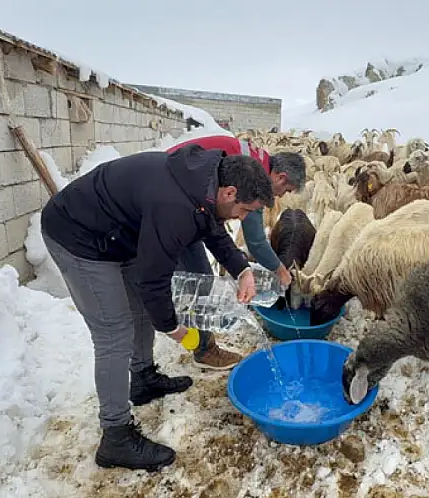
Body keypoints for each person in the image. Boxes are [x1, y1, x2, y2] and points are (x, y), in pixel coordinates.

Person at [40, 144, 274, 471]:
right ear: (229, 192)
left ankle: (142, 378)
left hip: (117, 234)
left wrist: (243, 270)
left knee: (138, 312)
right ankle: (116, 436)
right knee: (114, 332)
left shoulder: (205, 183)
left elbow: (213, 230)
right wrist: (173, 328)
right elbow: (154, 279)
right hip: (79, 237)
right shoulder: (174, 206)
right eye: (246, 210)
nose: (244, 218)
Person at [165, 134, 306, 369]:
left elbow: (217, 231)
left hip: (178, 190)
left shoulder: (254, 158)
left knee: (200, 270)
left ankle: (197, 341)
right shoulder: (254, 180)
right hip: (171, 203)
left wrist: (242, 268)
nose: (281, 197)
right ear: (280, 177)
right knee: (197, 279)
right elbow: (256, 241)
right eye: (286, 190)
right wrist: (280, 270)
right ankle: (203, 349)